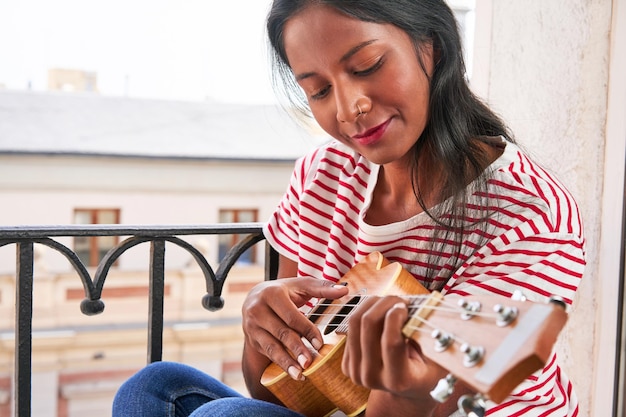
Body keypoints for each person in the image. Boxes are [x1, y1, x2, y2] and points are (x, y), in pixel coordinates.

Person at [112, 1, 585, 416]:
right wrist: (261, 331)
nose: (347, 107)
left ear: (432, 46)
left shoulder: (531, 216)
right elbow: (277, 397)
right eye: (318, 90)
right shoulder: (323, 174)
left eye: (367, 65)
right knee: (153, 388)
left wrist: (409, 391)